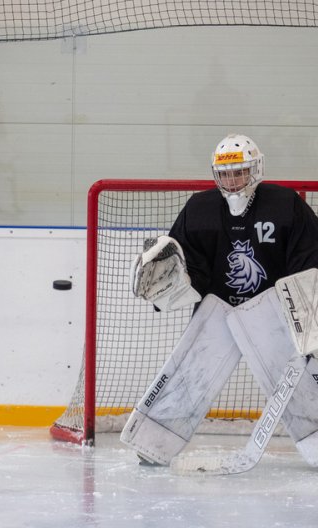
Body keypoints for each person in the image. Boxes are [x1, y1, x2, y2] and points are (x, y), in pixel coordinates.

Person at [121, 133, 318, 466]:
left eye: (239, 171)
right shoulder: (199, 209)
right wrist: (170, 287)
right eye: (225, 174)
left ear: (256, 170)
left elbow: (308, 257)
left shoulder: (285, 204)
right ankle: (154, 443)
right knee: (190, 374)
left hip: (273, 312)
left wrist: (307, 312)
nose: (232, 180)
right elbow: (187, 267)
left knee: (302, 379)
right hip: (219, 309)